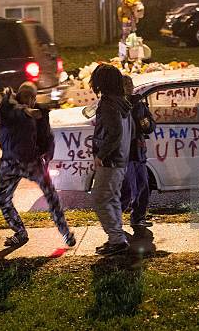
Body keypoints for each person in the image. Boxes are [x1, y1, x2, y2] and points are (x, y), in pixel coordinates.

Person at [0, 82, 75, 248]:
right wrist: (26, 111)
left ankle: (66, 232)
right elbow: (14, 111)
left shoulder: (39, 112)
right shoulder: (9, 107)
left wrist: (47, 155)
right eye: (25, 96)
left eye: (32, 97)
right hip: (9, 162)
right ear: (18, 95)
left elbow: (47, 135)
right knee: (3, 198)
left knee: (51, 195)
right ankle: (20, 232)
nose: (29, 101)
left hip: (32, 161)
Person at [90, 64, 135, 256]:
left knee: (100, 198)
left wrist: (101, 155)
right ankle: (117, 239)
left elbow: (114, 133)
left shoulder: (108, 104)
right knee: (112, 199)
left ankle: (116, 240)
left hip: (111, 160)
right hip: (120, 159)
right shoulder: (121, 102)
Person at [120, 75, 156, 227]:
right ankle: (114, 222)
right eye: (125, 83)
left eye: (130, 83)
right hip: (124, 154)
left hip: (138, 152)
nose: (129, 86)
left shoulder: (139, 105)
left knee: (143, 187)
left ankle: (138, 218)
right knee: (125, 190)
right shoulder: (118, 105)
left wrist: (146, 123)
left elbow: (151, 126)